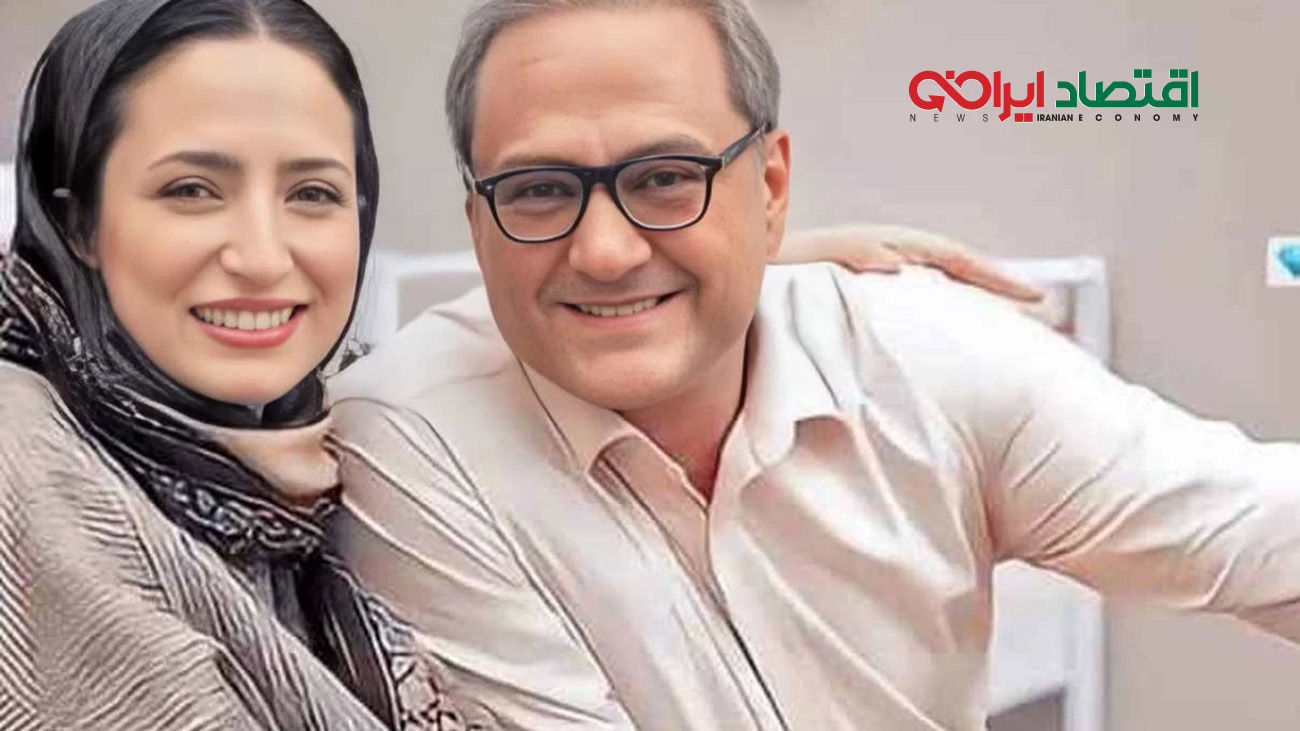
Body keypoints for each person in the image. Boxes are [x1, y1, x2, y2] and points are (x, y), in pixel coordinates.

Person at [326, 1, 1300, 730]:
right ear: (478, 222)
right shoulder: (412, 433)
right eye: (540, 190)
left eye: (665, 178)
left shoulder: (917, 348)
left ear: (771, 187)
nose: (606, 250)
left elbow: (1258, 530)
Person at [0, 0, 494, 727]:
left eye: (312, 194)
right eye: (192, 190)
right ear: (80, 223)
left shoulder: (330, 466)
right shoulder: (28, 468)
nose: (262, 257)